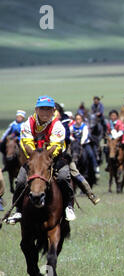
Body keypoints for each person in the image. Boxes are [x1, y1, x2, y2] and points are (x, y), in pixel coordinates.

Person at [6, 96, 76, 225]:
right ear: (36, 109)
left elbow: (55, 146)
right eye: (42, 109)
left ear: (53, 111)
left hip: (53, 158)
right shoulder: (28, 124)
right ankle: (18, 210)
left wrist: (45, 158)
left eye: (48, 109)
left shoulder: (58, 126)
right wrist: (35, 158)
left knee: (63, 176)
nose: (45, 112)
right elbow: (26, 143)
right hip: (33, 159)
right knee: (21, 180)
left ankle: (68, 206)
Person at [70, 113, 100, 178]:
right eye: (77, 119)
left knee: (91, 154)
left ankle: (95, 168)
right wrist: (72, 139)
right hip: (75, 143)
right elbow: (69, 135)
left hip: (84, 143)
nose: (78, 120)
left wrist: (81, 143)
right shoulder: (72, 127)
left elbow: (85, 136)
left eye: (79, 119)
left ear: (82, 120)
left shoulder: (84, 126)